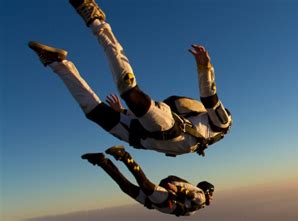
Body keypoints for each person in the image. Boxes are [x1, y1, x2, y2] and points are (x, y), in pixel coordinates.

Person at [28, 0, 232, 157]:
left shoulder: (219, 125)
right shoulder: (213, 124)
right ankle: (95, 20)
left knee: (95, 113)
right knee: (128, 90)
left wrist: (123, 113)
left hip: (139, 136)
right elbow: (209, 99)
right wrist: (204, 67)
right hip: (168, 129)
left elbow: (210, 99)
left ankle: (57, 64)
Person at [82, 145, 214, 216]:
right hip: (164, 200)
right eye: (211, 193)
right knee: (143, 183)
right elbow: (192, 195)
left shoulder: (197, 205)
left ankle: (102, 162)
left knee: (126, 187)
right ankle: (123, 155)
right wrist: (178, 189)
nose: (211, 197)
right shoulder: (201, 197)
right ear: (206, 191)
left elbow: (187, 200)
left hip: (156, 203)